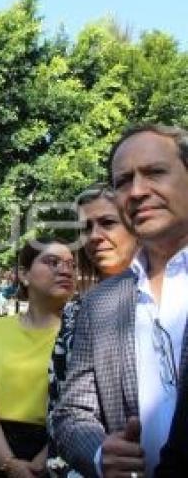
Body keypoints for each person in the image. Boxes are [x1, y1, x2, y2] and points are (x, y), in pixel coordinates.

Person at [52, 124, 188, 477]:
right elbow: (72, 413)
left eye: (155, 172)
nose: (138, 191)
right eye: (124, 181)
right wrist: (100, 454)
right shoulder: (98, 304)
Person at [45, 184, 138, 474]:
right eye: (86, 227)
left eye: (108, 223)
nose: (95, 236)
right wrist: (96, 456)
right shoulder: (76, 311)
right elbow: (62, 408)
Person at [0, 238, 76, 477]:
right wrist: (9, 463)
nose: (65, 270)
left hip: (58, 450)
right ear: (24, 274)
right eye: (53, 262)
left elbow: (81, 410)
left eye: (71, 265)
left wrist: (41, 463)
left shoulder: (81, 334)